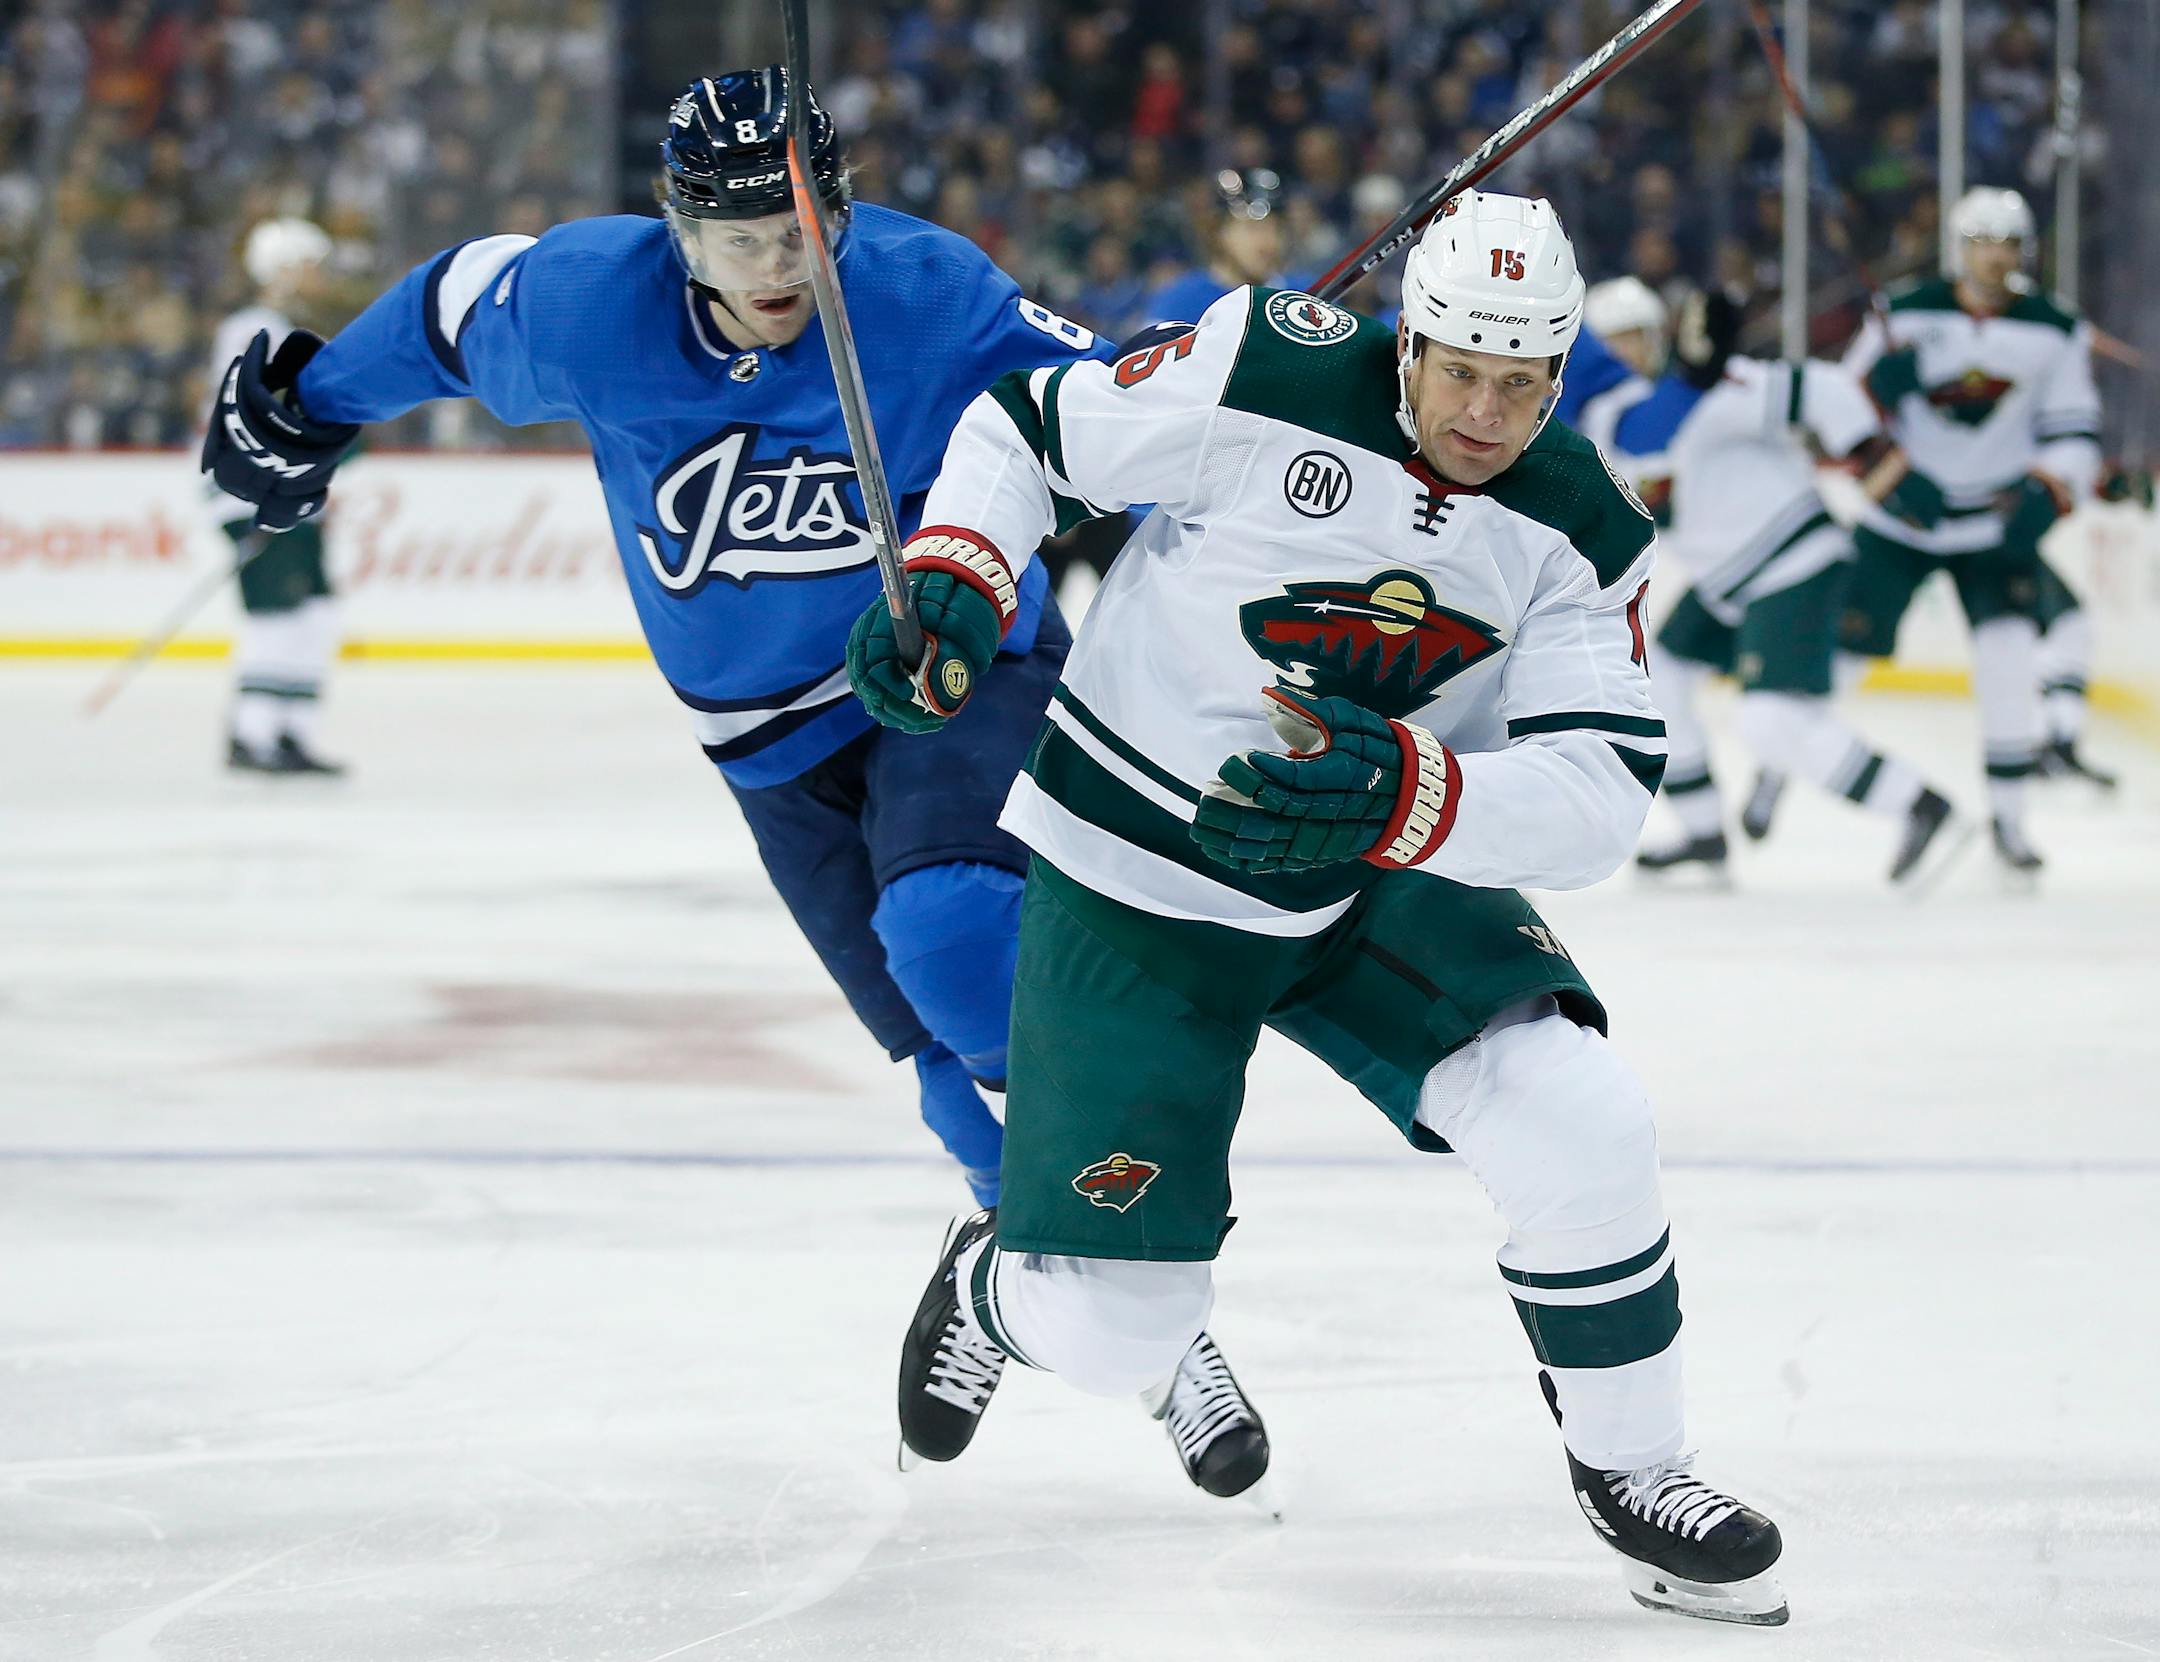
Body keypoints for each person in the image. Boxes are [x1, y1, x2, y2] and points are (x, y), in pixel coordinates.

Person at [199, 64, 1264, 1502]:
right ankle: (1036, 1260)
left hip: (952, 651)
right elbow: (455, 308)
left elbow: (1085, 392)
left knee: (954, 932)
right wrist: (306, 403)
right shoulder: (591, 302)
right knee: (933, 1047)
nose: (780, 267)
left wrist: (1188, 393)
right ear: (678, 228)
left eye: (804, 228)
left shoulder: (925, 288)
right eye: (743, 238)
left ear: (842, 205)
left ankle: (1152, 1312)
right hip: (765, 735)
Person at [851, 191, 1787, 1626]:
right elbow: (1025, 432)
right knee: (1115, 1335)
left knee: (1580, 1111)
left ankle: (1638, 1465)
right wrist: (962, 576)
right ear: (1407, 341)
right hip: (1136, 875)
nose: (1485, 412)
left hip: (1368, 858)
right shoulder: (1266, 369)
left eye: (1522, 383)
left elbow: (1604, 787)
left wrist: (1417, 797)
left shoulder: (1583, 527)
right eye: (1459, 370)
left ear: (1559, 376)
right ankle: (994, 1280)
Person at [1579, 287, 1966, 883]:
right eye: (1611, 344)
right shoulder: (1604, 420)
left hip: (1792, 562)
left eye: (1635, 336)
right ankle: (1706, 834)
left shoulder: (1721, 387)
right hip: (1727, 582)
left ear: (1660, 338)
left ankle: (1924, 807)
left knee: (1770, 720)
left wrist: (1873, 455)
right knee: (1655, 680)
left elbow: (1822, 390)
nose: (1625, 354)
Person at [1839, 186, 2105, 875]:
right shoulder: (1900, 314)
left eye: (2010, 244)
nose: (1996, 258)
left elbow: (2074, 429)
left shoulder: (2056, 327)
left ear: (2028, 251)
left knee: (2010, 665)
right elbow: (1839, 410)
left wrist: (2046, 491)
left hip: (1993, 525)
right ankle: (1789, 762)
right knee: (1842, 655)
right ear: (1961, 249)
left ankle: (2011, 827)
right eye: (1984, 243)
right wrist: (1877, 398)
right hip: (1903, 519)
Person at [209, 217, 345, 775]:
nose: (321, 278)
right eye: (311, 266)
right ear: (284, 270)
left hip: (287, 491)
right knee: (276, 614)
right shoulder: (253, 328)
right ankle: (253, 734)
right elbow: (252, 412)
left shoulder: (278, 325)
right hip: (258, 493)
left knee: (315, 613)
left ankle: (289, 732)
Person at [1140, 168, 1293, 328]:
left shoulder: (1301, 297)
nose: (1267, 241)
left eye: (1276, 229)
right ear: (1217, 232)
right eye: (1252, 228)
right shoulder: (1179, 301)